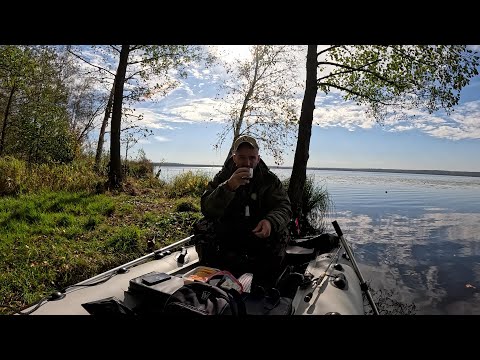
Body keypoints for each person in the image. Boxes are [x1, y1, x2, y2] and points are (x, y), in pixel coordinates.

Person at [196, 135, 292, 288]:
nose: (247, 163)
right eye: (242, 157)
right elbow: (207, 208)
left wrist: (270, 221)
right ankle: (213, 280)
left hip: (258, 232)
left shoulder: (269, 180)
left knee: (280, 234)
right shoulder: (222, 177)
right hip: (230, 231)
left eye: (252, 158)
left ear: (258, 159)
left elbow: (284, 207)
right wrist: (228, 187)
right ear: (234, 158)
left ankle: (265, 286)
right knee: (203, 225)